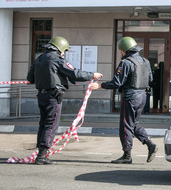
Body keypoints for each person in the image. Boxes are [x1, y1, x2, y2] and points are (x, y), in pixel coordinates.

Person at [27, 36, 103, 165]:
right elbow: (75, 73)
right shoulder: (57, 59)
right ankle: (41, 156)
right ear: (60, 48)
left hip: (41, 95)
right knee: (51, 124)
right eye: (64, 50)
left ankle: (40, 150)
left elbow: (30, 78)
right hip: (53, 96)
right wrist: (92, 75)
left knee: (43, 123)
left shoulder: (39, 59)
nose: (64, 53)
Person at [91, 36, 158, 164]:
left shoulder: (125, 63)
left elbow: (117, 82)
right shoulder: (145, 61)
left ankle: (127, 156)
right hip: (142, 97)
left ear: (124, 50)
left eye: (121, 51)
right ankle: (150, 144)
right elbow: (150, 79)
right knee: (134, 124)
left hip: (130, 98)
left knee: (125, 126)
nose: (121, 53)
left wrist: (100, 85)